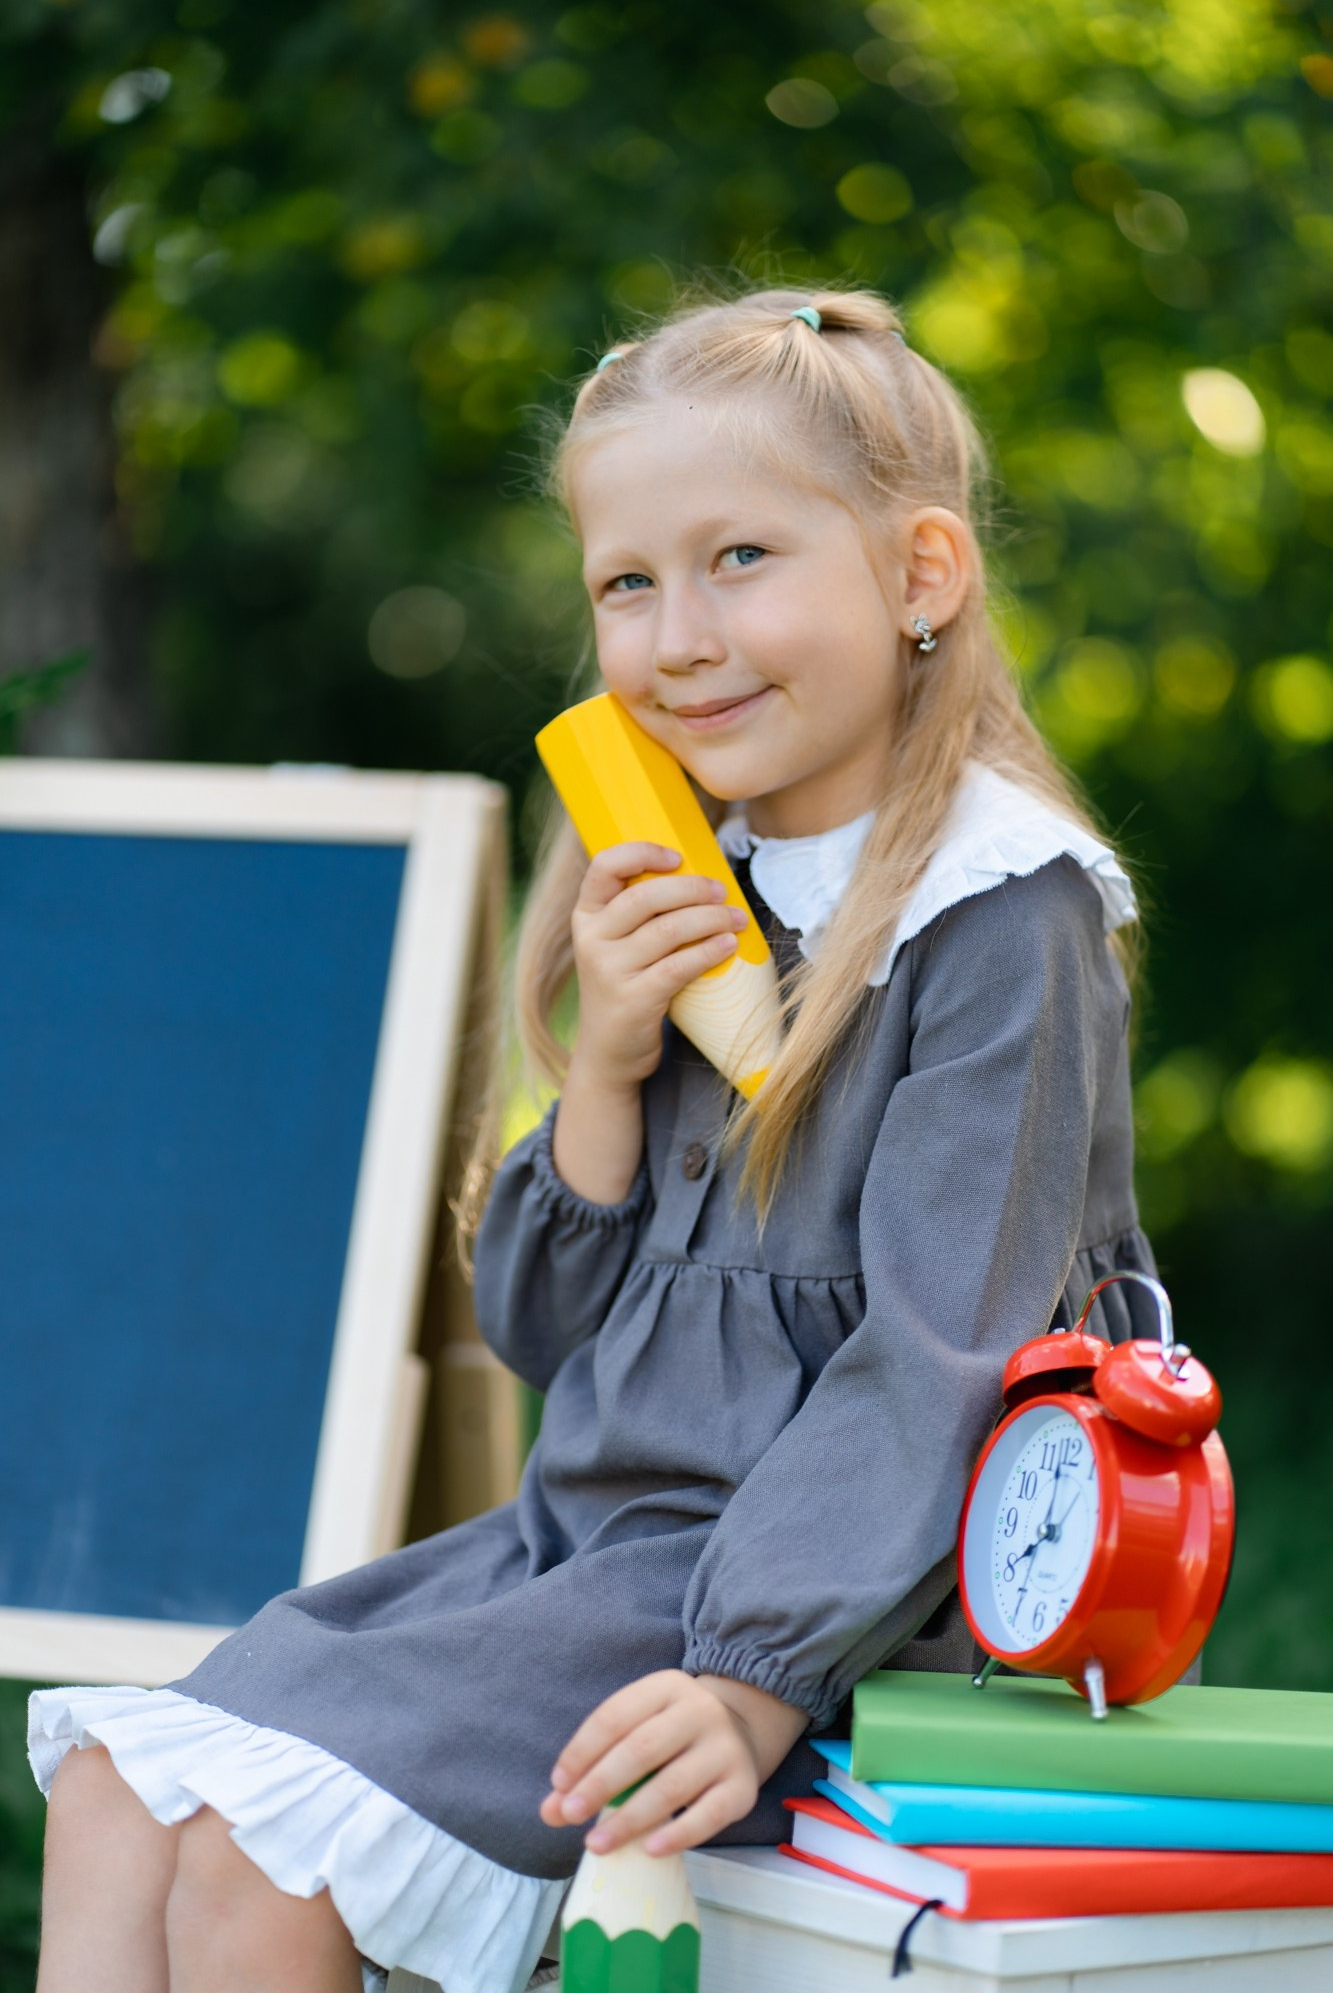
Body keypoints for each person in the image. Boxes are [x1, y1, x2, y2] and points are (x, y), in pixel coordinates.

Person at [29, 286, 1154, 1993]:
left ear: (921, 577)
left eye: (741, 559)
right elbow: (538, 1335)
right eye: (627, 583)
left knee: (273, 1857)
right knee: (119, 1789)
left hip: (825, 1586)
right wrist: (611, 1066)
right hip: (583, 1549)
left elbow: (951, 1350)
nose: (679, 637)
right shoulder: (690, 880)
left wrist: (751, 1673)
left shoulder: (1000, 913)